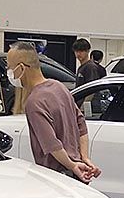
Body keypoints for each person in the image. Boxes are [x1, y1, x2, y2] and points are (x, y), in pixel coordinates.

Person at [8, 41, 99, 183]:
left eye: (10, 67)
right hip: (77, 169)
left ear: (21, 68)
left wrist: (72, 166)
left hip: (57, 175)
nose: (9, 72)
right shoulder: (59, 87)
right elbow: (81, 123)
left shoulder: (34, 102)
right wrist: (84, 158)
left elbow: (51, 144)